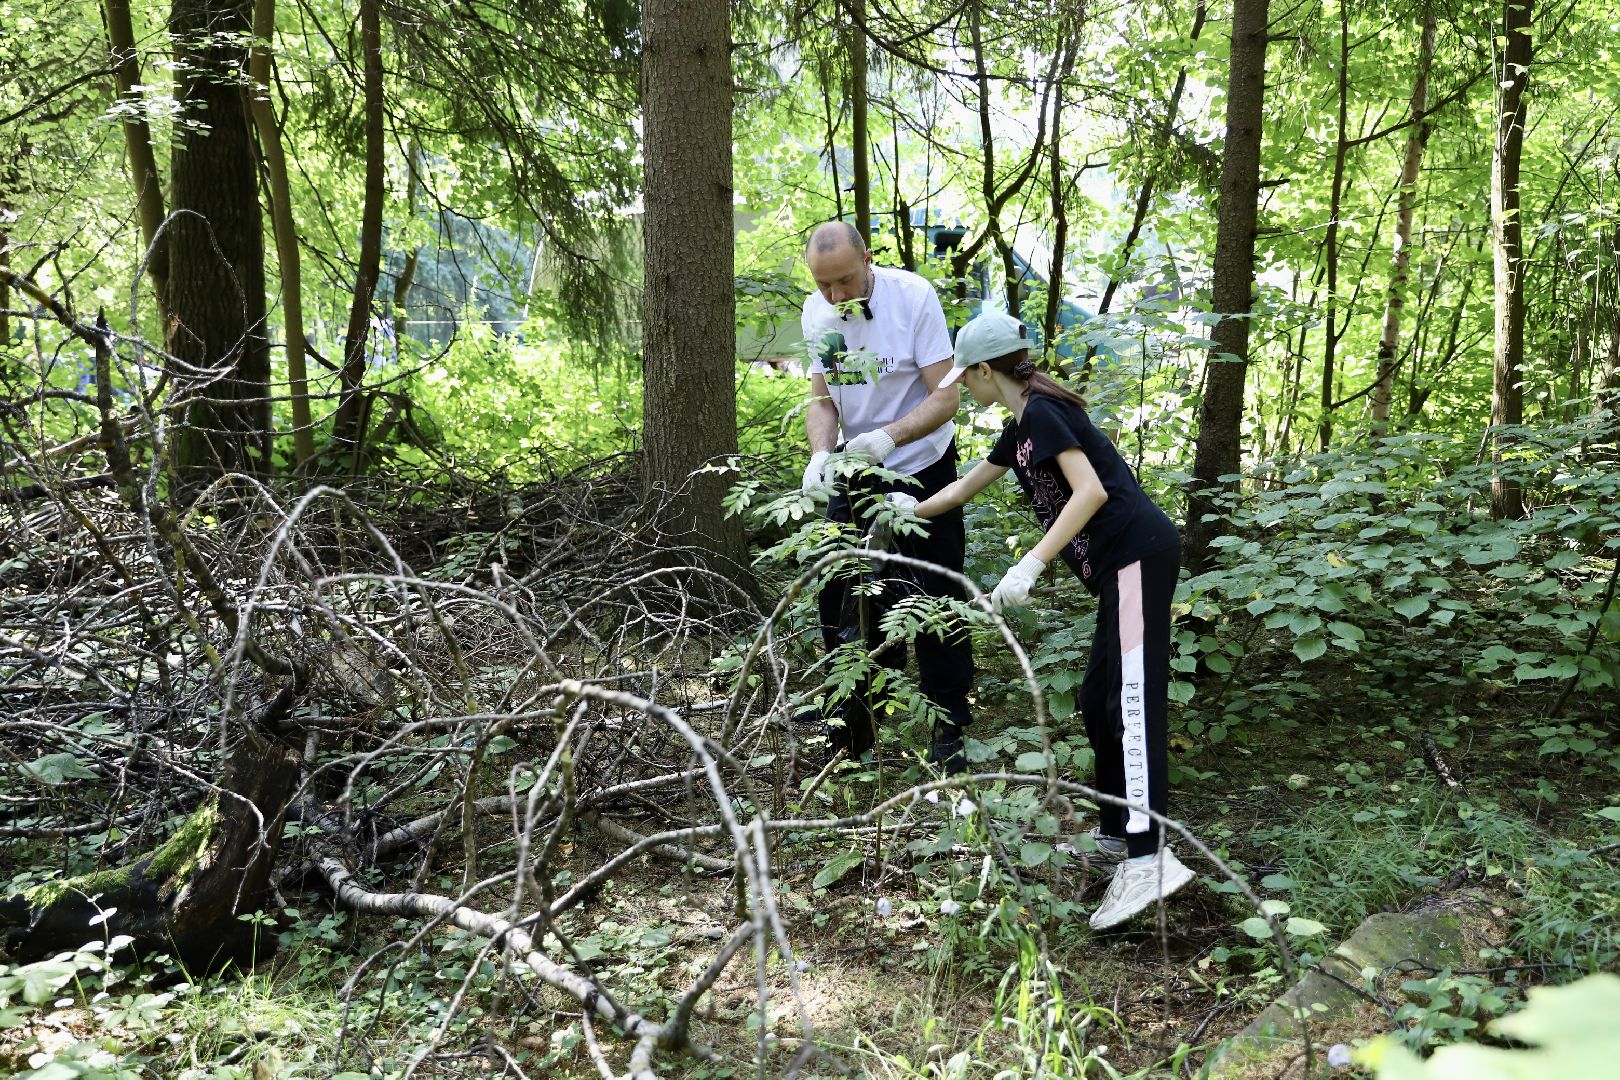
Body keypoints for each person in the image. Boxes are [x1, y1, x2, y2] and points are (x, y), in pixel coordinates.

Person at [897, 309, 1194, 930]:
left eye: (965, 378)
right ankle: (1118, 835)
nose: (964, 389)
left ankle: (1149, 857)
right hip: (1120, 572)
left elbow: (1091, 493)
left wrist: (1028, 566)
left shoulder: (1043, 411)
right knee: (1096, 698)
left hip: (1138, 557)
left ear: (984, 370)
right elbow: (960, 491)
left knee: (1130, 704)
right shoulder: (1022, 425)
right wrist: (905, 508)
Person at [797, 221, 972, 772]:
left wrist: (887, 437)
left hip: (922, 464)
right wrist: (822, 454)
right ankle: (852, 722)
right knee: (841, 589)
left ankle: (948, 723)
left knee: (935, 591)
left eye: (845, 281)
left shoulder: (913, 298)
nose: (836, 296)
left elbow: (946, 397)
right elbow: (822, 400)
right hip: (854, 470)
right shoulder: (817, 312)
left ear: (868, 259)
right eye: (825, 285)